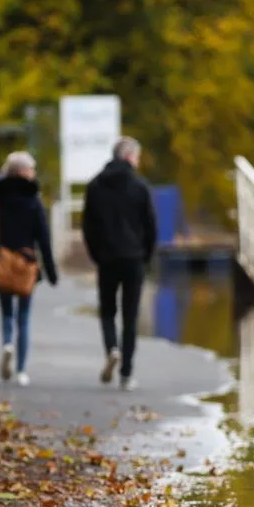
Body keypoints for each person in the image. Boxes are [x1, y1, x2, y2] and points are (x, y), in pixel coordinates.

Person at [82, 136, 156, 391]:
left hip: (107, 258)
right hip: (134, 259)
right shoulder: (140, 186)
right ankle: (126, 374)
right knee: (130, 315)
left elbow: (88, 226)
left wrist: (96, 254)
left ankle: (112, 349)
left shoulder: (95, 186)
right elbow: (151, 227)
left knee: (107, 311)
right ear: (128, 157)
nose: (137, 162)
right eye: (136, 156)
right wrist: (146, 257)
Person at [0, 151, 57, 387]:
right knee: (24, 317)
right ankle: (21, 370)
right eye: (31, 169)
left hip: (2, 262)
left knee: (6, 314)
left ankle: (7, 345)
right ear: (23, 172)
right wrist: (51, 272)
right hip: (26, 265)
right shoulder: (33, 201)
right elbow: (44, 238)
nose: (33, 173)